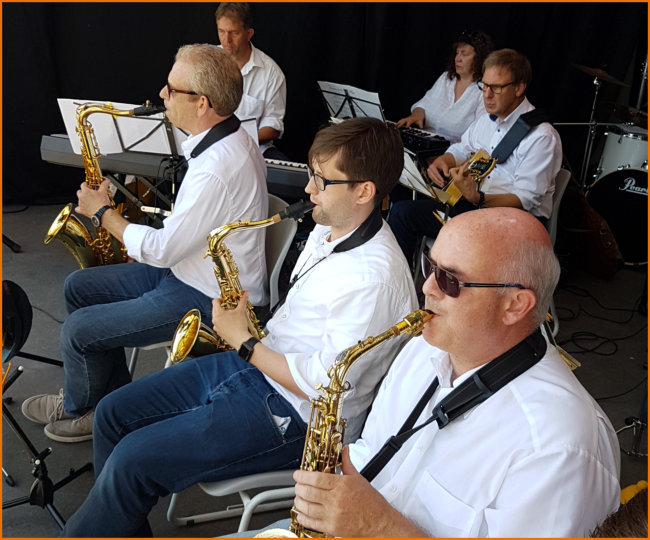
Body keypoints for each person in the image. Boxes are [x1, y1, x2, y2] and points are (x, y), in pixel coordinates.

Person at [59, 117, 418, 537]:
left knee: (131, 462)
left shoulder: (374, 278)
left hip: (296, 416)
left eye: (321, 181)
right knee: (111, 413)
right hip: (260, 368)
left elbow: (326, 387)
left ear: (364, 191)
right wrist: (247, 332)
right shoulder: (332, 229)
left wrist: (244, 342)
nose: (308, 189)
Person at [284, 207, 620, 537]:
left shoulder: (558, 447)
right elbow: (371, 451)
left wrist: (379, 527)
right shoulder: (423, 348)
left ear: (515, 305)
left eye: (450, 280)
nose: (427, 287)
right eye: (429, 266)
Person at [21, 44, 269, 443]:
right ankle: (105, 402)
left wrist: (103, 213)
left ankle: (82, 409)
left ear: (202, 103)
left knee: (79, 330)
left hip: (207, 295)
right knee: (78, 287)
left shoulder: (217, 166)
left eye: (172, 88)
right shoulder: (225, 139)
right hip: (186, 271)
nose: (162, 94)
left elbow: (163, 249)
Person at [389, 48, 563, 265]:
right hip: (475, 208)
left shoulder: (541, 137)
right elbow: (463, 148)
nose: (487, 95)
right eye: (484, 85)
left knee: (407, 216)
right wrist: (445, 160)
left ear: (519, 88)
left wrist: (477, 198)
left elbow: (526, 199)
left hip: (511, 223)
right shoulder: (487, 120)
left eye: (496, 87)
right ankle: (401, 282)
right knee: (402, 208)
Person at [216, 2, 286, 158]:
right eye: (221, 31)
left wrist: (238, 141)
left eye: (234, 33)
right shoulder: (208, 61)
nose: (226, 40)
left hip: (253, 148)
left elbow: (273, 126)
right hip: (212, 148)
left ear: (249, 34)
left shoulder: (272, 73)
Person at [396, 30, 492, 143]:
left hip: (452, 151)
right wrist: (416, 115)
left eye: (464, 54)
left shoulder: (483, 90)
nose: (457, 59)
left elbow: (478, 134)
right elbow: (423, 104)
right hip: (425, 143)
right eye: (457, 53)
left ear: (479, 58)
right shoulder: (446, 78)